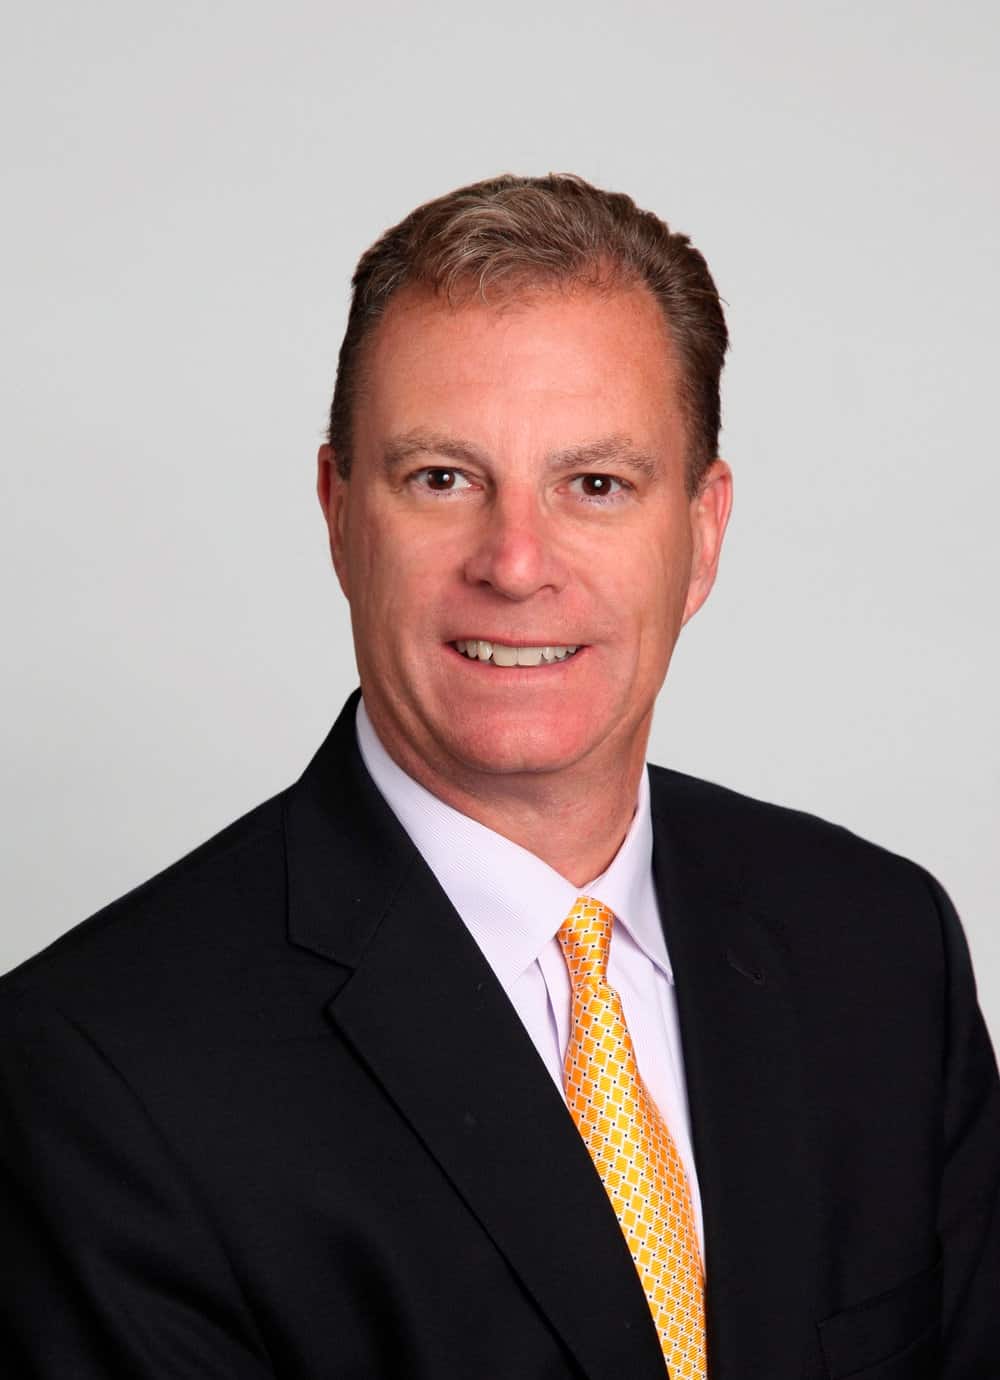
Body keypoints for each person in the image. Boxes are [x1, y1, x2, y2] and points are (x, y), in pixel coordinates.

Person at [1, 174, 997, 1380]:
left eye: (596, 485)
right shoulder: (98, 1070)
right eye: (442, 478)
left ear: (701, 533)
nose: (516, 564)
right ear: (339, 513)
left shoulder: (882, 947)